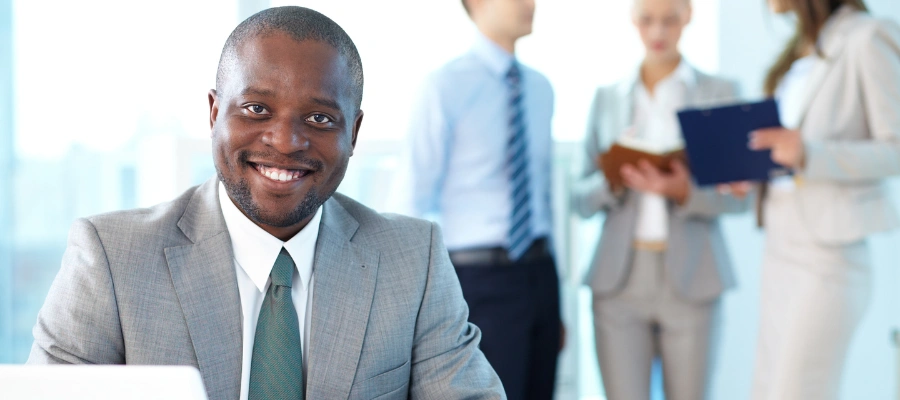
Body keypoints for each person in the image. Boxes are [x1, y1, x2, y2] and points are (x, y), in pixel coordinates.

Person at [27, 6, 505, 400]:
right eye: (256, 109)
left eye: (319, 117)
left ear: (353, 133)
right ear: (215, 113)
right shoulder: (110, 258)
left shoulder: (412, 260)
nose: (285, 141)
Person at [571, 0, 749, 399]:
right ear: (632, 20)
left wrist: (683, 190)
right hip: (618, 282)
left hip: (693, 277)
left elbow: (740, 200)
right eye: (647, 20)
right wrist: (615, 181)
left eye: (670, 20)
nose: (658, 33)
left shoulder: (719, 92)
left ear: (688, 16)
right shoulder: (606, 98)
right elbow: (579, 200)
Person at [739, 0, 900, 398]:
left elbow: (895, 148)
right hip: (779, 245)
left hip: (828, 257)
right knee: (767, 390)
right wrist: (753, 173)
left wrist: (811, 153)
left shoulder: (867, 36)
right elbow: (788, 156)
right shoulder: (802, 50)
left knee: (799, 391)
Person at [406, 0, 561, 398]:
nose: (531, 4)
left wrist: (554, 296)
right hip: (478, 279)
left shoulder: (541, 87)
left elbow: (543, 195)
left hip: (540, 273)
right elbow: (413, 195)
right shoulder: (445, 85)